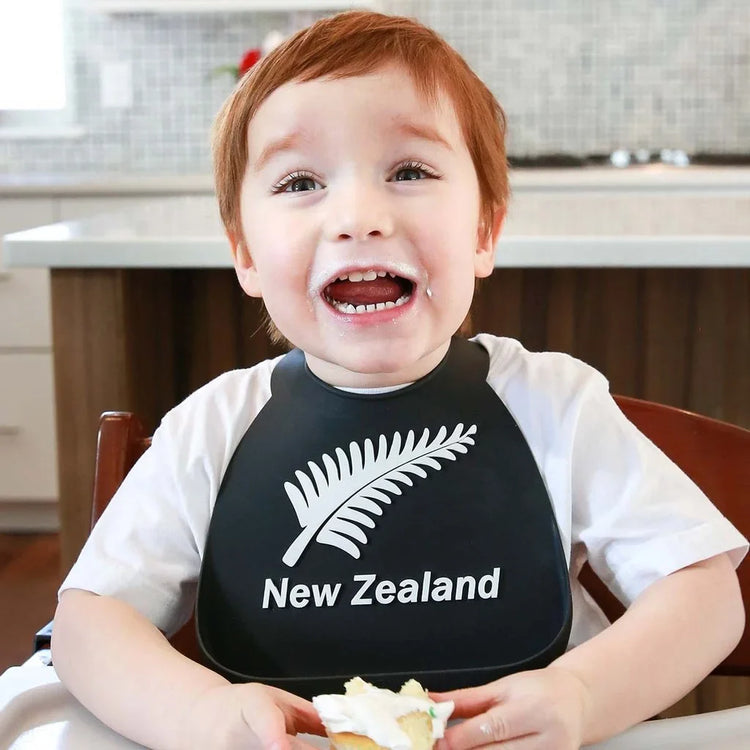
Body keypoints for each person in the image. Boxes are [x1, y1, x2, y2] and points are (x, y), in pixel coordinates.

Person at [51, 10, 747, 750]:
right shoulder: (211, 431)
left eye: (409, 172)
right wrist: (198, 716)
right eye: (301, 181)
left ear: (483, 231)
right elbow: (90, 625)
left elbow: (703, 595)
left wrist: (583, 694)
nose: (358, 216)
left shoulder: (557, 408)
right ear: (245, 253)